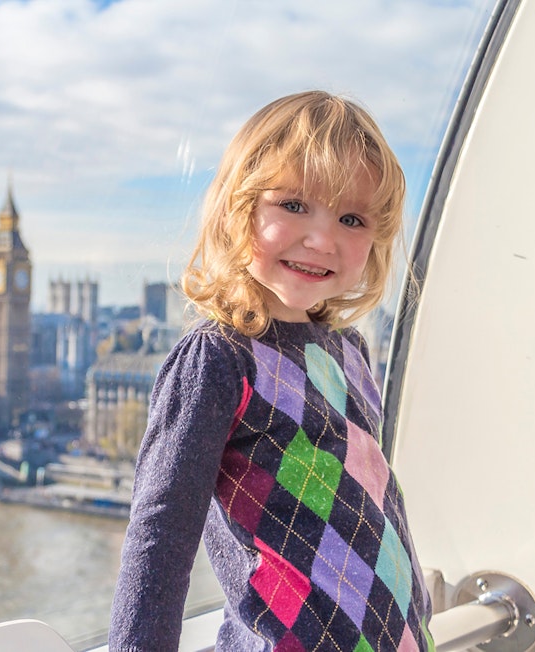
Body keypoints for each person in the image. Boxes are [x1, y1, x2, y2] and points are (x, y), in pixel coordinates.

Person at [109, 91, 433, 651]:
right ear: (240, 208)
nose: (322, 238)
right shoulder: (219, 359)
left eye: (351, 218)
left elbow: (378, 515)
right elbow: (161, 536)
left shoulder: (348, 352)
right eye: (294, 205)